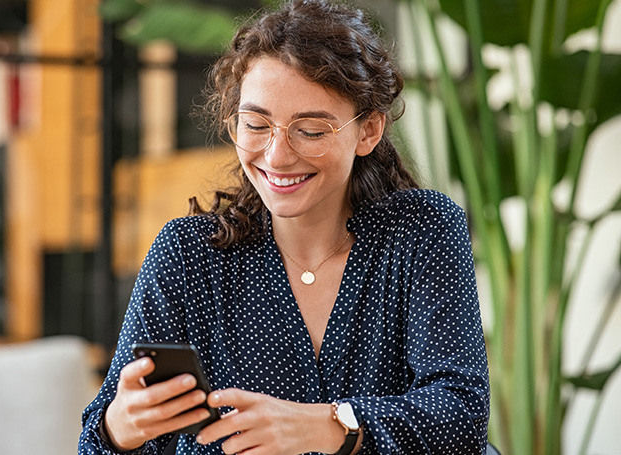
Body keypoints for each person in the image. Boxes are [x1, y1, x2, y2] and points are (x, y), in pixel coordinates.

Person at [79, 0, 490, 453]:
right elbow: (98, 443)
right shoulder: (188, 254)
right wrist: (121, 428)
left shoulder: (421, 229)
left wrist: (330, 425)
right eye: (256, 125)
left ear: (369, 130)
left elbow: (462, 416)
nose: (276, 156)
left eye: (311, 131)